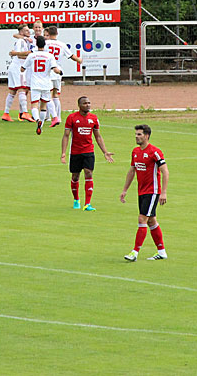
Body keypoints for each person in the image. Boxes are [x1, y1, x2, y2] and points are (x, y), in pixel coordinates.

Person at [119, 124, 168, 261]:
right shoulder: (135, 152)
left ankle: (134, 252)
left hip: (153, 191)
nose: (136, 136)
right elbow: (132, 170)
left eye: (139, 134)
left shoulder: (154, 152)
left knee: (142, 219)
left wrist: (163, 192)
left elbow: (165, 171)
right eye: (136, 134)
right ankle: (162, 251)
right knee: (151, 221)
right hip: (141, 191)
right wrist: (124, 190)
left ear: (146, 136)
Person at [60, 96, 114, 211]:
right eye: (85, 103)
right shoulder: (72, 118)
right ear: (79, 105)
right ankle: (76, 200)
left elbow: (98, 136)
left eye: (89, 103)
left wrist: (105, 152)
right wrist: (63, 153)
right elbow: (66, 135)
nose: (88, 105)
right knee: (75, 176)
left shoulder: (94, 118)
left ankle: (87, 204)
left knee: (88, 173)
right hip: (75, 152)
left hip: (88, 151)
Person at [21, 35, 62, 135]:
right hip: (46, 84)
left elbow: (22, 68)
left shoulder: (32, 55)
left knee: (34, 105)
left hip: (35, 83)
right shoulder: (49, 56)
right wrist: (60, 72)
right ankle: (42, 124)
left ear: (36, 44)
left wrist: (23, 69)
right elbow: (55, 69)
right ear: (45, 44)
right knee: (43, 105)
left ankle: (38, 119)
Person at [45, 25, 82, 127]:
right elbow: (71, 56)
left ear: (48, 33)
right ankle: (58, 116)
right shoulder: (62, 45)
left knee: (47, 95)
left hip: (47, 72)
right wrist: (79, 60)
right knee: (56, 95)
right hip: (57, 72)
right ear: (57, 33)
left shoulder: (45, 43)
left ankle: (49, 116)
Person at [2, 24, 34, 123]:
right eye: (26, 30)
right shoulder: (21, 41)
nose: (29, 32)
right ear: (21, 32)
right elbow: (19, 56)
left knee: (12, 91)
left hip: (14, 67)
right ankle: (24, 112)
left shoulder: (24, 40)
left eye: (28, 30)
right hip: (18, 68)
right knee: (22, 89)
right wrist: (32, 57)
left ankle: (6, 113)